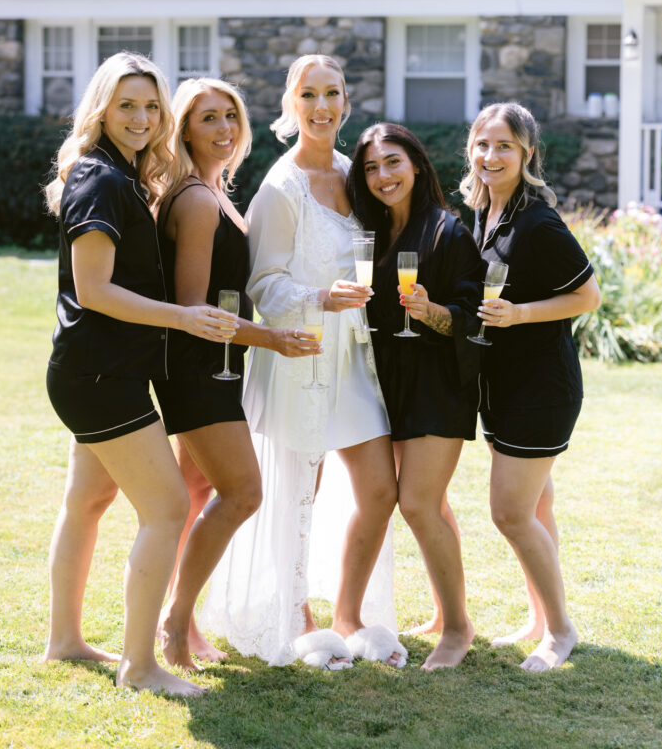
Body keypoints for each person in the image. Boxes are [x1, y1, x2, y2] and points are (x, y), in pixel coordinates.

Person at [201, 54, 407, 669]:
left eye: (333, 93)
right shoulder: (280, 187)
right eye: (309, 94)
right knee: (299, 494)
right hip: (300, 353)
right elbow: (263, 285)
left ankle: (349, 614)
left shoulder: (356, 172)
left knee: (378, 491)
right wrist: (318, 298)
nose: (322, 106)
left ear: (346, 102)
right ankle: (296, 615)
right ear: (292, 104)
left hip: (355, 358)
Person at [43, 52, 238, 696]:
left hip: (92, 370)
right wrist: (183, 319)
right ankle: (141, 665)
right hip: (103, 375)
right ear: (101, 108)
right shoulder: (100, 180)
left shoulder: (120, 174)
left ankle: (65, 640)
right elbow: (93, 290)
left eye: (151, 105)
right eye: (127, 104)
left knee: (88, 503)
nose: (142, 116)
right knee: (167, 506)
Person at [152, 77, 318, 671]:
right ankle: (175, 622)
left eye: (231, 116)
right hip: (198, 372)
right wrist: (272, 337)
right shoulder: (196, 201)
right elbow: (196, 314)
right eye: (207, 119)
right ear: (184, 129)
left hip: (223, 367)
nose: (223, 129)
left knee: (196, 494)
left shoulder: (216, 190)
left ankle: (181, 618)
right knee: (243, 492)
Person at [460, 101, 601, 672]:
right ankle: (538, 617)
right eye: (483, 145)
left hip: (540, 389)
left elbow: (588, 297)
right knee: (536, 506)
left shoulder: (538, 222)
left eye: (505, 147)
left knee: (511, 512)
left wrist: (519, 316)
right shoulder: (483, 211)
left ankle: (560, 631)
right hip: (502, 384)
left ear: (527, 154)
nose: (491, 156)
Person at [346, 122, 482, 670]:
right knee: (418, 503)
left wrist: (431, 313)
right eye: (372, 167)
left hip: (437, 384)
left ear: (418, 166)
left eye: (393, 162)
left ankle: (457, 628)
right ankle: (375, 615)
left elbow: (473, 320)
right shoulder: (371, 235)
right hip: (382, 385)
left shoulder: (447, 232)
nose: (383, 176)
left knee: (418, 503)